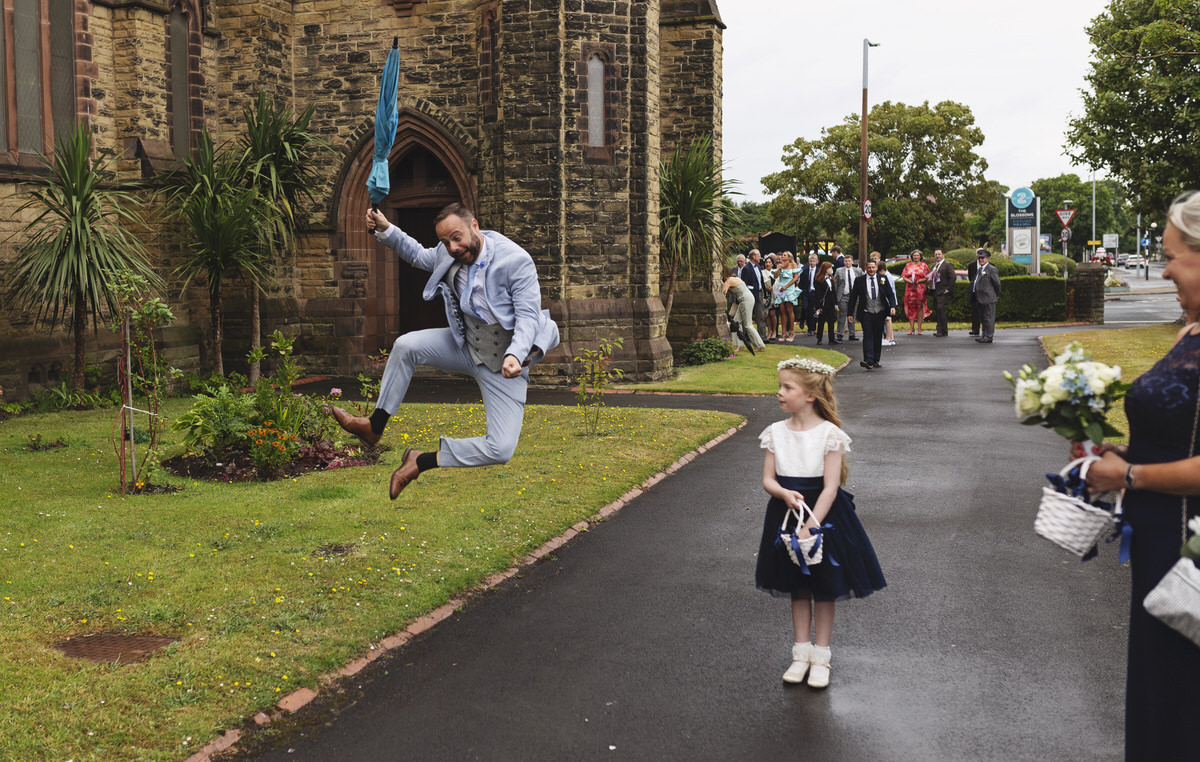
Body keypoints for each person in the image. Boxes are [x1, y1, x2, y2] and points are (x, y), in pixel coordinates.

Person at [330, 204, 560, 499]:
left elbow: (528, 317)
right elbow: (416, 254)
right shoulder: (447, 252)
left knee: (501, 448)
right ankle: (374, 425)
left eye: (457, 238)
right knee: (405, 346)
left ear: (474, 226)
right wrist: (385, 228)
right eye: (445, 242)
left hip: (506, 360)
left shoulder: (515, 261)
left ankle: (420, 460)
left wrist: (515, 354)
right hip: (466, 345)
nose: (453, 247)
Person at [1085, 190, 1200, 760]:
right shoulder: (1188, 330)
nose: (1164, 267)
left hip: (1190, 550)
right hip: (1158, 542)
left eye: (1173, 255)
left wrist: (1129, 474)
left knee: (1182, 702)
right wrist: (1122, 451)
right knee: (1158, 695)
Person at [755, 356, 886, 688]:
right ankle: (800, 655)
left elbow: (830, 487)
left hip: (823, 516)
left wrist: (812, 526)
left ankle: (821, 657)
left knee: (825, 586)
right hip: (786, 512)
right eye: (780, 386)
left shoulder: (830, 434)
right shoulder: (774, 433)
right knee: (798, 586)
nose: (780, 393)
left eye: (787, 387)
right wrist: (783, 493)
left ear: (810, 394)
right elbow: (768, 480)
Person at [847, 258, 896, 370]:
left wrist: (892, 306)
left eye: (873, 267)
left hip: (880, 312)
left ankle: (876, 360)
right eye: (869, 267)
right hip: (866, 312)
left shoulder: (882, 278)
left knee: (877, 336)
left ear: (877, 268)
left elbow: (890, 294)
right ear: (865, 268)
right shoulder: (859, 280)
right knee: (868, 335)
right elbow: (853, 297)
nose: (871, 269)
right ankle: (868, 360)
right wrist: (850, 313)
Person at [722, 274, 765, 352]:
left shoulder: (728, 281)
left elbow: (723, 292)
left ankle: (759, 344)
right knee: (736, 322)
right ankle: (740, 345)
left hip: (746, 300)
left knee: (748, 324)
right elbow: (734, 291)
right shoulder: (735, 279)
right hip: (746, 298)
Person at [972, 248, 1001, 344]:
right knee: (983, 318)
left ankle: (989, 336)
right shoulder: (980, 269)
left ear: (987, 259)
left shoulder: (991, 269)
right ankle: (984, 335)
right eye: (979, 258)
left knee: (989, 318)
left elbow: (997, 283)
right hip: (980, 298)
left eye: (983, 258)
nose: (981, 260)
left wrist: (997, 294)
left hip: (988, 297)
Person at [869, 251, 898, 346]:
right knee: (887, 320)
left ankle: (889, 338)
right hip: (887, 301)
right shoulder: (886, 276)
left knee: (888, 320)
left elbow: (889, 291)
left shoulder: (886, 277)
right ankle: (889, 338)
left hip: (887, 301)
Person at [900, 249, 932, 335]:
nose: (916, 257)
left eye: (917, 255)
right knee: (910, 308)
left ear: (920, 256)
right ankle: (911, 328)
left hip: (920, 289)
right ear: (912, 257)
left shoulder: (924, 265)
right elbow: (903, 276)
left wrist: (920, 280)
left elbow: (928, 277)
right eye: (914, 255)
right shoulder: (908, 265)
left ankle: (920, 329)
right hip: (909, 289)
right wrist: (910, 281)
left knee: (920, 308)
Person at [740, 249, 769, 343]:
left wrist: (764, 295)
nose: (760, 257)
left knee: (760, 316)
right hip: (750, 295)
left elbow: (761, 282)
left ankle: (763, 337)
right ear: (753, 257)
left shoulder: (759, 267)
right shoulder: (746, 268)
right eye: (758, 256)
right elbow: (744, 284)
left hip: (759, 294)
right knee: (747, 316)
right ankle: (745, 337)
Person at [833, 254, 862, 341]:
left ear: (852, 262)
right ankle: (840, 333)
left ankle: (852, 334)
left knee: (852, 314)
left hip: (854, 296)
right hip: (843, 296)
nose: (848, 262)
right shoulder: (839, 271)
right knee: (842, 314)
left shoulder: (858, 270)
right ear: (844, 262)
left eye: (849, 261)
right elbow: (835, 283)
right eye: (846, 261)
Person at [773, 252, 801, 342]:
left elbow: (795, 278)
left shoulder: (793, 265)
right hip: (780, 288)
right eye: (782, 255)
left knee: (789, 310)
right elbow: (775, 276)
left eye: (784, 255)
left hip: (789, 288)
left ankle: (792, 333)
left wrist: (786, 287)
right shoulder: (779, 266)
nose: (782, 256)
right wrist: (780, 268)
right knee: (782, 311)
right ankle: (784, 333)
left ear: (789, 257)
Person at [927, 248, 955, 337]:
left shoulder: (947, 265)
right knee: (938, 311)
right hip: (935, 291)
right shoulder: (933, 266)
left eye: (939, 254)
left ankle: (941, 330)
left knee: (940, 309)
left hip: (942, 291)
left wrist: (948, 289)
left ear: (943, 255)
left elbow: (953, 277)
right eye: (936, 254)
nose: (937, 256)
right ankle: (942, 330)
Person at [811, 261, 840, 345]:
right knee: (821, 321)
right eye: (830, 268)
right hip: (823, 304)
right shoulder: (819, 279)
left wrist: (836, 303)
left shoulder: (831, 278)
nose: (831, 270)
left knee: (831, 320)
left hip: (831, 303)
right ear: (826, 269)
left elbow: (833, 292)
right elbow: (817, 294)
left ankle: (832, 338)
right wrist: (818, 306)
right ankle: (819, 338)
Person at [799, 252, 821, 336]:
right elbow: (801, 282)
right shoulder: (805, 270)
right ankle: (802, 319)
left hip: (814, 293)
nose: (812, 263)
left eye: (813, 261)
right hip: (806, 292)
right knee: (805, 307)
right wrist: (803, 290)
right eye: (811, 261)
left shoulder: (819, 271)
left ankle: (811, 328)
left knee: (812, 311)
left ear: (817, 262)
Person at [762, 254, 780, 342]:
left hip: (773, 295)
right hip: (765, 295)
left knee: (772, 314)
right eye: (766, 262)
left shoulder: (775, 272)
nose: (768, 264)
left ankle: (774, 331)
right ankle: (769, 331)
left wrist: (772, 287)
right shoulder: (762, 272)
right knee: (767, 315)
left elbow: (778, 283)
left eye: (769, 262)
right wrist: (765, 287)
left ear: (772, 264)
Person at [967, 254, 983, 336]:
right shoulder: (971, 265)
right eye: (978, 253)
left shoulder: (991, 266)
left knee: (985, 313)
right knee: (975, 311)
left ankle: (986, 331)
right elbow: (971, 278)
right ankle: (975, 329)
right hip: (974, 292)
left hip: (984, 294)